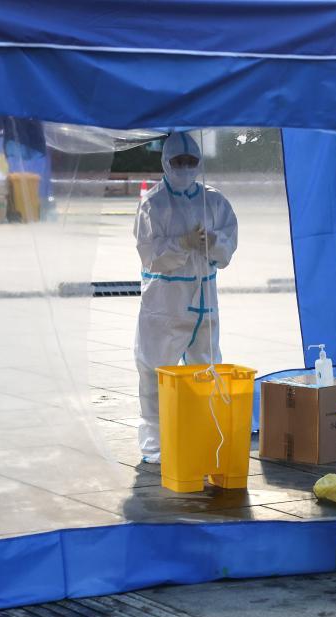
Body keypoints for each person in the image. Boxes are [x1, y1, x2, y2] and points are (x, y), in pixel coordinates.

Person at [134, 132, 238, 463]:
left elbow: (229, 245)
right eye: (178, 162)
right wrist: (182, 244)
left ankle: (205, 438)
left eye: (190, 161)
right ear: (166, 162)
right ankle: (156, 445)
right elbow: (149, 254)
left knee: (207, 371)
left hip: (204, 301)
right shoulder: (153, 204)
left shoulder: (214, 201)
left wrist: (214, 242)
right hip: (165, 304)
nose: (185, 167)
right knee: (154, 373)